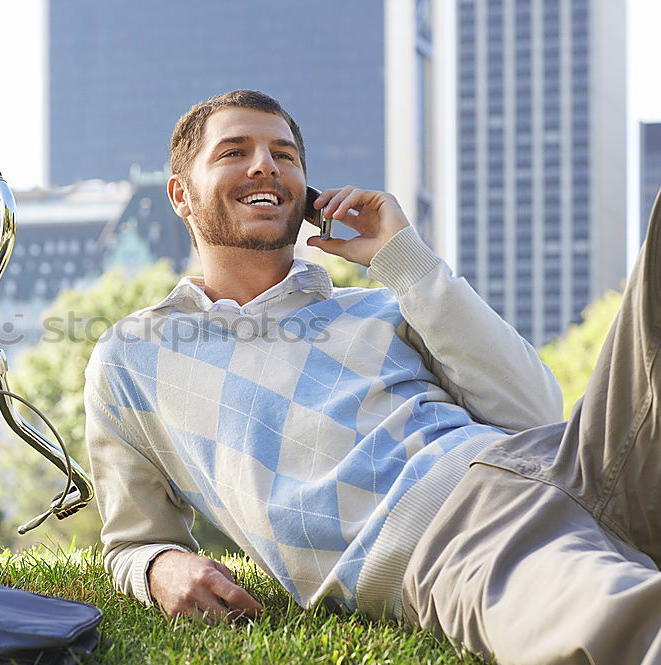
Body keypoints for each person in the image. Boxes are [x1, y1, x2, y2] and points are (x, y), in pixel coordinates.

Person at [83, 89, 661, 664]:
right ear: (181, 195)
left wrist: (403, 258)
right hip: (449, 538)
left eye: (284, 155)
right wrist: (160, 566)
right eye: (234, 152)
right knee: (623, 621)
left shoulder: (386, 304)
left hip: (569, 461)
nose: (265, 164)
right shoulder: (134, 356)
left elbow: (535, 410)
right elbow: (134, 540)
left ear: (304, 191)